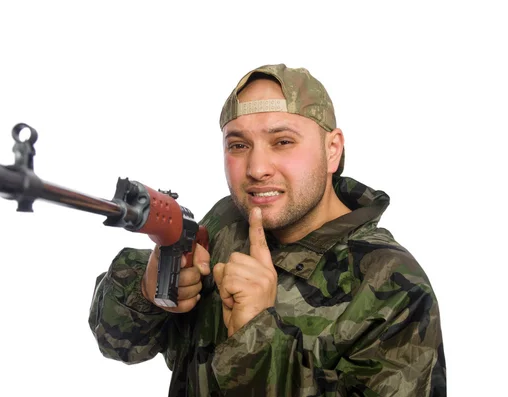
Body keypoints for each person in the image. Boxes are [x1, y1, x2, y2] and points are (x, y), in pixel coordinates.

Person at [88, 64, 446, 396]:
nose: (257, 168)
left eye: (283, 142)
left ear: (332, 149)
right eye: (239, 145)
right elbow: (118, 343)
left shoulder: (392, 284)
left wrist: (257, 338)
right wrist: (148, 292)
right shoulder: (227, 222)